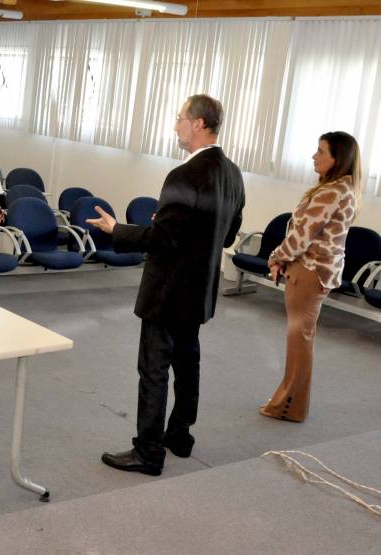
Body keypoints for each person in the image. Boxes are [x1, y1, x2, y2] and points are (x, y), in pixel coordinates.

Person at [87, 94, 245, 476]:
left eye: (180, 118)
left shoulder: (184, 175)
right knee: (188, 364)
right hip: (199, 290)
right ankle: (180, 436)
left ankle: (148, 451)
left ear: (199, 124)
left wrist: (116, 229)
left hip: (168, 291)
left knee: (154, 368)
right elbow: (227, 235)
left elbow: (162, 240)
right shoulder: (232, 174)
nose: (175, 126)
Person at [261, 132, 362, 423]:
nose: (313, 157)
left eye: (320, 151)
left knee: (299, 340)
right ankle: (291, 402)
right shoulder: (341, 188)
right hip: (315, 271)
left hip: (309, 272)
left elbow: (300, 237)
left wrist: (275, 257)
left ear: (337, 159)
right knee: (301, 338)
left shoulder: (332, 192)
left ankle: (288, 406)